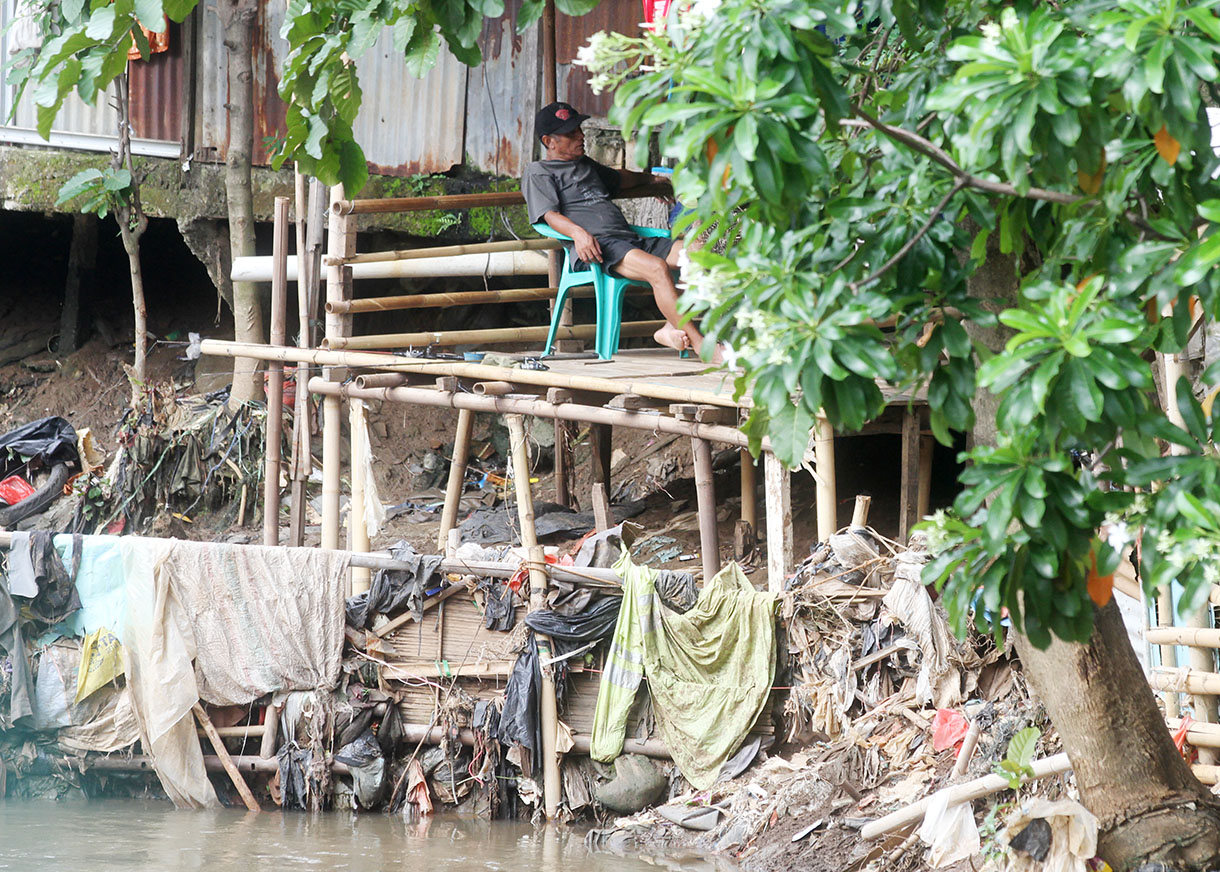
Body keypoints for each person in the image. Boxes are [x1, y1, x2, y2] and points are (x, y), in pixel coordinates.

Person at [522, 101, 715, 360]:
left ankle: (670, 327)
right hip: (599, 248)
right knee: (657, 268)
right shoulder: (538, 172)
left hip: (629, 240)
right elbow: (549, 215)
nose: (581, 136)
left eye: (579, 129)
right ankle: (702, 345)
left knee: (702, 252)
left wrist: (654, 181)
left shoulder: (586, 165)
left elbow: (623, 178)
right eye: (571, 133)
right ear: (549, 141)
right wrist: (578, 234)